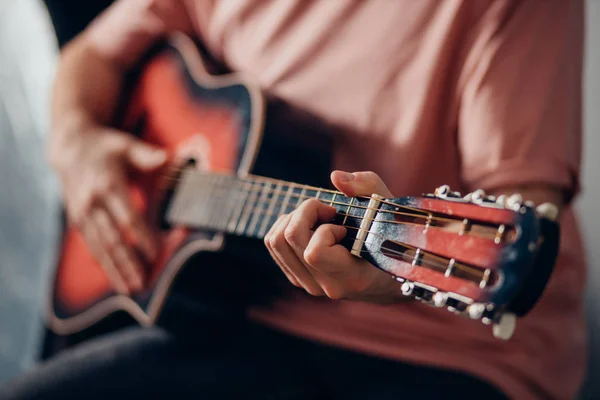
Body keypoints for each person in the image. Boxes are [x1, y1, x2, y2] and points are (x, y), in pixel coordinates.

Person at [0, 1, 585, 399]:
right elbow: (92, 55)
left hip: (441, 351)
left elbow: (520, 237)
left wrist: (384, 274)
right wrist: (75, 143)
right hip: (245, 310)